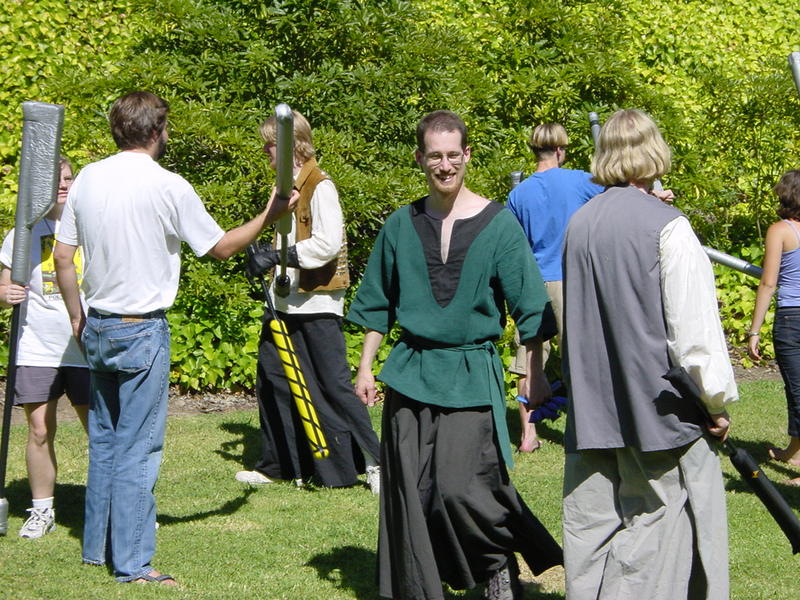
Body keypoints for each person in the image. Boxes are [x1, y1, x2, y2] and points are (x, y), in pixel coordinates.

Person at [53, 91, 295, 584]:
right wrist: (268, 216)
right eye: (166, 127)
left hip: (97, 324)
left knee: (105, 442)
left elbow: (62, 257)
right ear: (155, 130)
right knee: (138, 449)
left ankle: (97, 548)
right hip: (140, 328)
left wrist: (77, 316)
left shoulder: (88, 178)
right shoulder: (168, 185)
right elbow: (220, 247)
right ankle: (132, 564)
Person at [349, 110, 563, 600]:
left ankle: (496, 567)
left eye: (452, 155)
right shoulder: (401, 225)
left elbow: (531, 306)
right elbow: (378, 302)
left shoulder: (499, 225)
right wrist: (365, 367)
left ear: (467, 155)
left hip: (470, 373)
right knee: (413, 493)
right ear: (420, 158)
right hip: (411, 372)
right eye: (434, 156)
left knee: (464, 487)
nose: (444, 166)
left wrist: (535, 376)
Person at [561, 108, 737, 599]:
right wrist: (715, 404)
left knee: (592, 537)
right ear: (654, 150)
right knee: (658, 542)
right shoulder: (669, 226)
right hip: (660, 418)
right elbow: (694, 335)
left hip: (593, 414)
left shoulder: (579, 224)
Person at [236, 109, 381, 491]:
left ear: (290, 146)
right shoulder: (285, 188)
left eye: (270, 145)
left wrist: (277, 257)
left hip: (317, 306)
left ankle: (376, 463)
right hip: (283, 304)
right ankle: (278, 465)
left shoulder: (321, 186)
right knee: (273, 382)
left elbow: (327, 244)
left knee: (334, 387)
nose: (265, 151)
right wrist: (265, 254)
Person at [0, 156, 89, 539]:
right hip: (37, 345)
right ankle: (41, 509)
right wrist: (5, 294)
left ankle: (118, 505)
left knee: (100, 431)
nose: (63, 185)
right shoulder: (23, 233)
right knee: (38, 429)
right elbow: (4, 286)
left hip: (85, 344)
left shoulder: (90, 225)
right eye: (55, 180)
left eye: (68, 178)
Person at [506, 123, 603, 452]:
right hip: (572, 281)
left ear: (534, 150)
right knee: (580, 359)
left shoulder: (518, 194)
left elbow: (514, 245)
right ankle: (586, 432)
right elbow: (618, 201)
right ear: (560, 150)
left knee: (529, 358)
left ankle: (528, 436)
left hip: (534, 283)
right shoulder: (582, 181)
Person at [747, 170, 800, 484]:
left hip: (793, 319)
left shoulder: (780, 230)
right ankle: (794, 451)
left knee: (798, 390)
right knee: (795, 388)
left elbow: (768, 283)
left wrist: (754, 331)